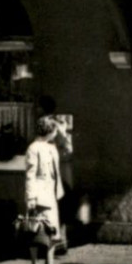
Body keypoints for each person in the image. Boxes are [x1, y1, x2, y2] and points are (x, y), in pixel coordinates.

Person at [23, 115, 65, 264]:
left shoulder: (51, 148)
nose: (55, 133)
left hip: (51, 195)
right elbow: (30, 175)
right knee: (35, 232)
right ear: (49, 130)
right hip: (39, 196)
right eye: (54, 129)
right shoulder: (33, 148)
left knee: (52, 233)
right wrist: (31, 197)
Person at [38, 96, 75, 253]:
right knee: (61, 207)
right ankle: (60, 242)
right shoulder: (58, 122)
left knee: (55, 207)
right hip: (62, 172)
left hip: (55, 172)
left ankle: (55, 243)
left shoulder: (48, 124)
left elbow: (66, 147)